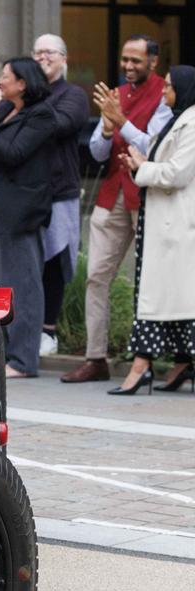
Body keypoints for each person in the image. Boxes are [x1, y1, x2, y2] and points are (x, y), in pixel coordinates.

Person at [61, 35, 171, 383]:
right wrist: (107, 130)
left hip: (147, 196)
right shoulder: (116, 95)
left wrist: (121, 121)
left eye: (136, 61)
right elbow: (96, 153)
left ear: (152, 62)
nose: (128, 66)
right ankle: (96, 358)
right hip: (111, 195)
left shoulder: (166, 96)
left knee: (150, 280)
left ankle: (150, 357)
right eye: (125, 59)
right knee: (96, 276)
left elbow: (154, 145)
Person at [0, 57, 56, 378]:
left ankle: (23, 359)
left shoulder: (42, 115)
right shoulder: (5, 109)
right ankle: (1, 352)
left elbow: (12, 153)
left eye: (6, 77)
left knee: (23, 285)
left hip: (22, 211)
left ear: (23, 83)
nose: (0, 81)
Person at [109, 66, 195, 395]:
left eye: (170, 87)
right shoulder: (178, 119)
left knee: (163, 299)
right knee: (169, 298)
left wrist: (141, 167)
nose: (164, 92)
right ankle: (181, 364)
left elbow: (177, 173)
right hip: (163, 221)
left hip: (177, 224)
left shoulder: (191, 122)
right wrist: (140, 164)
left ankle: (141, 367)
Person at [32, 33, 89, 357]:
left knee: (55, 260)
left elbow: (60, 125)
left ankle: (48, 330)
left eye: (50, 52)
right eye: (38, 52)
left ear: (63, 58)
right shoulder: (26, 96)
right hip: (27, 192)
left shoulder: (74, 95)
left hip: (59, 190)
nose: (43, 58)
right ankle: (28, 327)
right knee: (29, 263)